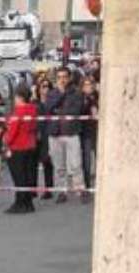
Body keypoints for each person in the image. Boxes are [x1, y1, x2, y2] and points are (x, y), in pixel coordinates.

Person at [48, 66, 89, 202]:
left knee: (76, 163)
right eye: (59, 77)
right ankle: (62, 191)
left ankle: (80, 190)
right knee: (59, 165)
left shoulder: (76, 93)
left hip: (71, 132)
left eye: (65, 77)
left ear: (70, 77)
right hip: (55, 133)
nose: (62, 80)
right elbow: (48, 108)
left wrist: (58, 110)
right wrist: (60, 95)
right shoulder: (52, 93)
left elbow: (75, 111)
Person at [3, 84, 39, 214]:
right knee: (28, 175)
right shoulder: (33, 109)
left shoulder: (18, 111)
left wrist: (5, 141)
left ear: (19, 97)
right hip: (30, 145)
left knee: (19, 177)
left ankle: (20, 203)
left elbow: (13, 130)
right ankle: (29, 203)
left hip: (18, 146)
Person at [35, 78, 57, 199]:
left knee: (47, 162)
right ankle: (32, 190)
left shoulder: (53, 102)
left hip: (48, 134)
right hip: (35, 135)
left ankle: (48, 189)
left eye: (48, 86)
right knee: (33, 163)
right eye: (43, 86)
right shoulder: (35, 103)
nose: (45, 89)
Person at [80, 75, 99, 192]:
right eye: (86, 85)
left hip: (97, 130)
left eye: (90, 84)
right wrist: (88, 101)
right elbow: (80, 110)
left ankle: (99, 181)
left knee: (99, 157)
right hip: (86, 131)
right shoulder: (81, 97)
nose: (89, 87)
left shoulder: (97, 96)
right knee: (86, 159)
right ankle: (87, 185)